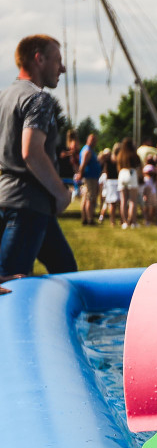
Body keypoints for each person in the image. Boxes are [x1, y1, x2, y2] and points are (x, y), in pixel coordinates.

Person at [0, 34, 77, 277]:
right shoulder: (38, 98)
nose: (62, 68)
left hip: (9, 198)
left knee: (66, 270)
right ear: (39, 58)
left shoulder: (4, 97)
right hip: (28, 205)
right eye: (58, 61)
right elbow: (32, 153)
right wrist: (61, 194)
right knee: (12, 282)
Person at [76, 132, 102, 225]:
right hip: (90, 178)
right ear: (88, 140)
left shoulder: (88, 150)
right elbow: (83, 164)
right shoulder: (87, 151)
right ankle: (90, 219)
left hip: (90, 177)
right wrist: (80, 174)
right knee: (90, 199)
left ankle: (85, 218)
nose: (94, 142)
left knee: (86, 198)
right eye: (92, 140)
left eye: (95, 140)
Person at [116, 137, 141, 229]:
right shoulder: (133, 155)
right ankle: (133, 222)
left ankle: (125, 222)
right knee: (132, 200)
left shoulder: (120, 155)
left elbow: (118, 167)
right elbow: (139, 166)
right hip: (131, 173)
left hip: (122, 174)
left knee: (123, 200)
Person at [99, 147, 120, 226]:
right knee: (114, 203)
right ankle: (115, 221)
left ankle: (112, 221)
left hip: (111, 182)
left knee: (112, 203)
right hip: (114, 181)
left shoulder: (108, 160)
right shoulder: (115, 160)